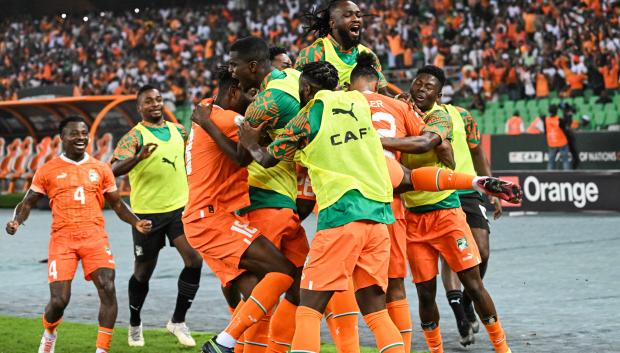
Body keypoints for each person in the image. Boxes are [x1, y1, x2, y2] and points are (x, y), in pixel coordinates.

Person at [238, 61, 521, 353]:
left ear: (307, 89)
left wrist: (249, 142)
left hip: (341, 218)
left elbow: (267, 158)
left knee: (309, 306)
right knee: (376, 309)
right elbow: (409, 177)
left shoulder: (307, 115)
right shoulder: (364, 114)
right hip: (380, 222)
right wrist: (474, 181)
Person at [382, 65, 513, 353]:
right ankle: (436, 349)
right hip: (415, 220)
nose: (421, 89)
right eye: (418, 83)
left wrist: (377, 141)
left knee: (475, 282)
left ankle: (502, 347)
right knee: (425, 295)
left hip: (447, 212)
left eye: (429, 87)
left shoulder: (442, 117)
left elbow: (430, 146)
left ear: (439, 95)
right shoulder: (402, 113)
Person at [5, 116, 152, 353]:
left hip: (94, 237)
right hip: (62, 240)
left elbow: (116, 204)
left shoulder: (101, 168)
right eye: (74, 133)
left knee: (108, 286)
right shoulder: (48, 170)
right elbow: (27, 202)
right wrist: (16, 221)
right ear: (62, 137)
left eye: (84, 133)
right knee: (59, 301)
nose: (81, 137)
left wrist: (135, 223)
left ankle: (102, 350)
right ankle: (49, 333)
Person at [200, 36, 308, 353]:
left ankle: (229, 341)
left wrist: (209, 125)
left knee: (298, 287)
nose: (231, 70)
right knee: (277, 289)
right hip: (267, 199)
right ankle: (229, 342)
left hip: (274, 198)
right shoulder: (290, 79)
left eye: (234, 65)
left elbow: (242, 154)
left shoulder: (263, 103)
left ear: (251, 66)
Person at [110, 85, 203, 347]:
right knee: (143, 273)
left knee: (194, 260)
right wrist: (138, 158)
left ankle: (178, 321)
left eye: (158, 99)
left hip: (179, 210)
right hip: (146, 215)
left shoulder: (179, 131)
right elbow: (113, 169)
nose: (155, 104)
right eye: (148, 101)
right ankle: (135, 323)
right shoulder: (133, 137)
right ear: (139, 107)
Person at [348, 52, 424, 352]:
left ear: (350, 84)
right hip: (390, 203)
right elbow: (429, 140)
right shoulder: (397, 106)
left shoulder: (342, 103)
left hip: (349, 203)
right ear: (377, 84)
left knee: (341, 285)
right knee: (394, 286)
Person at [435, 100, 503, 346]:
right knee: (450, 257)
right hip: (439, 190)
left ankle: (467, 300)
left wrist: (492, 189)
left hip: (467, 189)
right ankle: (460, 316)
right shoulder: (415, 116)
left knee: (482, 252)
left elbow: (477, 152)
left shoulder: (462, 115)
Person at [295, 0, 389, 92]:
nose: (356, 19)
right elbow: (298, 94)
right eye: (348, 15)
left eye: (358, 15)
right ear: (333, 23)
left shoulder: (368, 55)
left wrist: (398, 98)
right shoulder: (313, 53)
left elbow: (383, 94)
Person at [543, 104, 571, 170]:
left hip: (552, 143)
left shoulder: (546, 120)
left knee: (551, 162)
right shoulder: (559, 120)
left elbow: (545, 132)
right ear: (556, 111)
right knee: (565, 161)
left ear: (549, 111)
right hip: (562, 143)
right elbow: (566, 128)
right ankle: (568, 177)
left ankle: (548, 178)